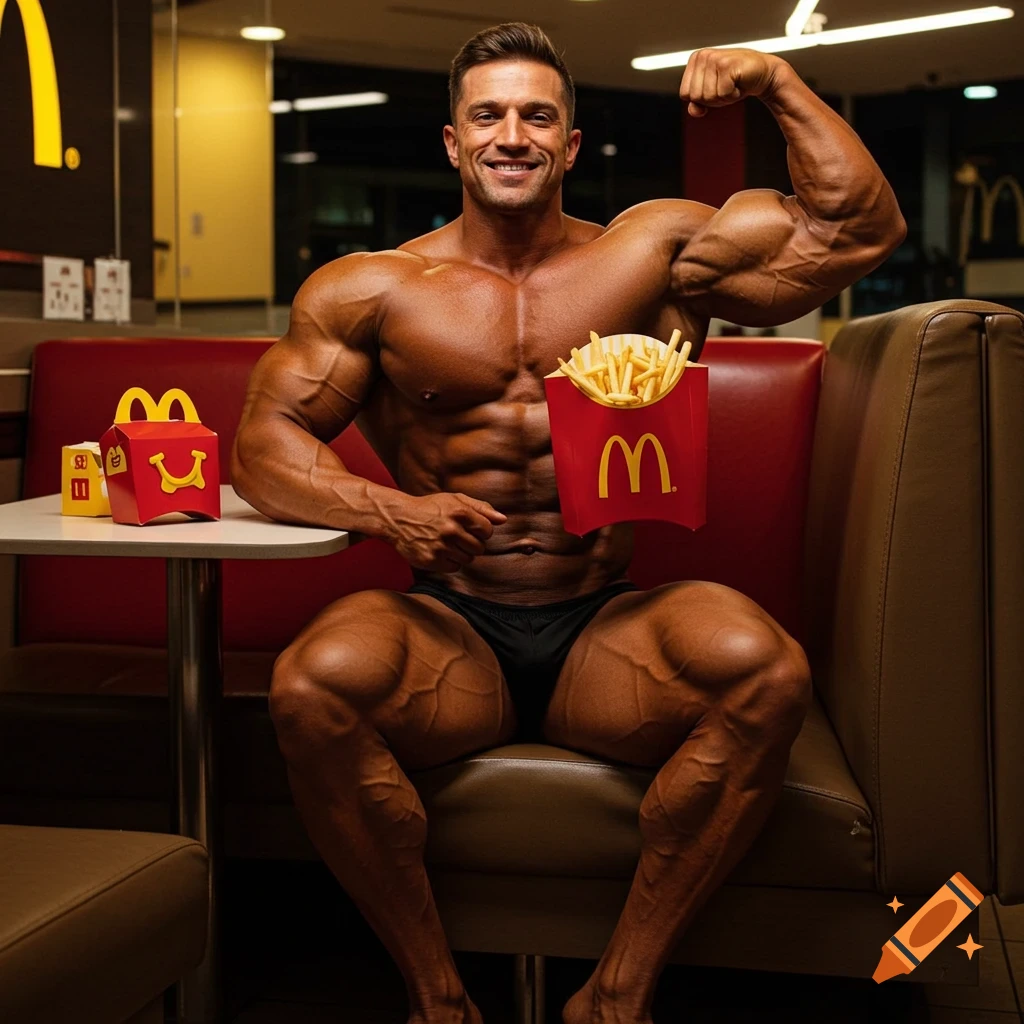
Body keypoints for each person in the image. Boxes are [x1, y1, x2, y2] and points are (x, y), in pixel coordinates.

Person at [232, 23, 905, 1024]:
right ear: (454, 143)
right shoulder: (372, 288)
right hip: (451, 623)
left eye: (537, 116)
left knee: (766, 670)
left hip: (600, 617)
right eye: (488, 116)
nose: (513, 135)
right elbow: (261, 448)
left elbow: (856, 231)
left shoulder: (656, 253)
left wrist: (776, 80)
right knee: (310, 685)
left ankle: (618, 994)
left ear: (571, 143)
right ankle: (437, 996)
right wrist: (392, 512)